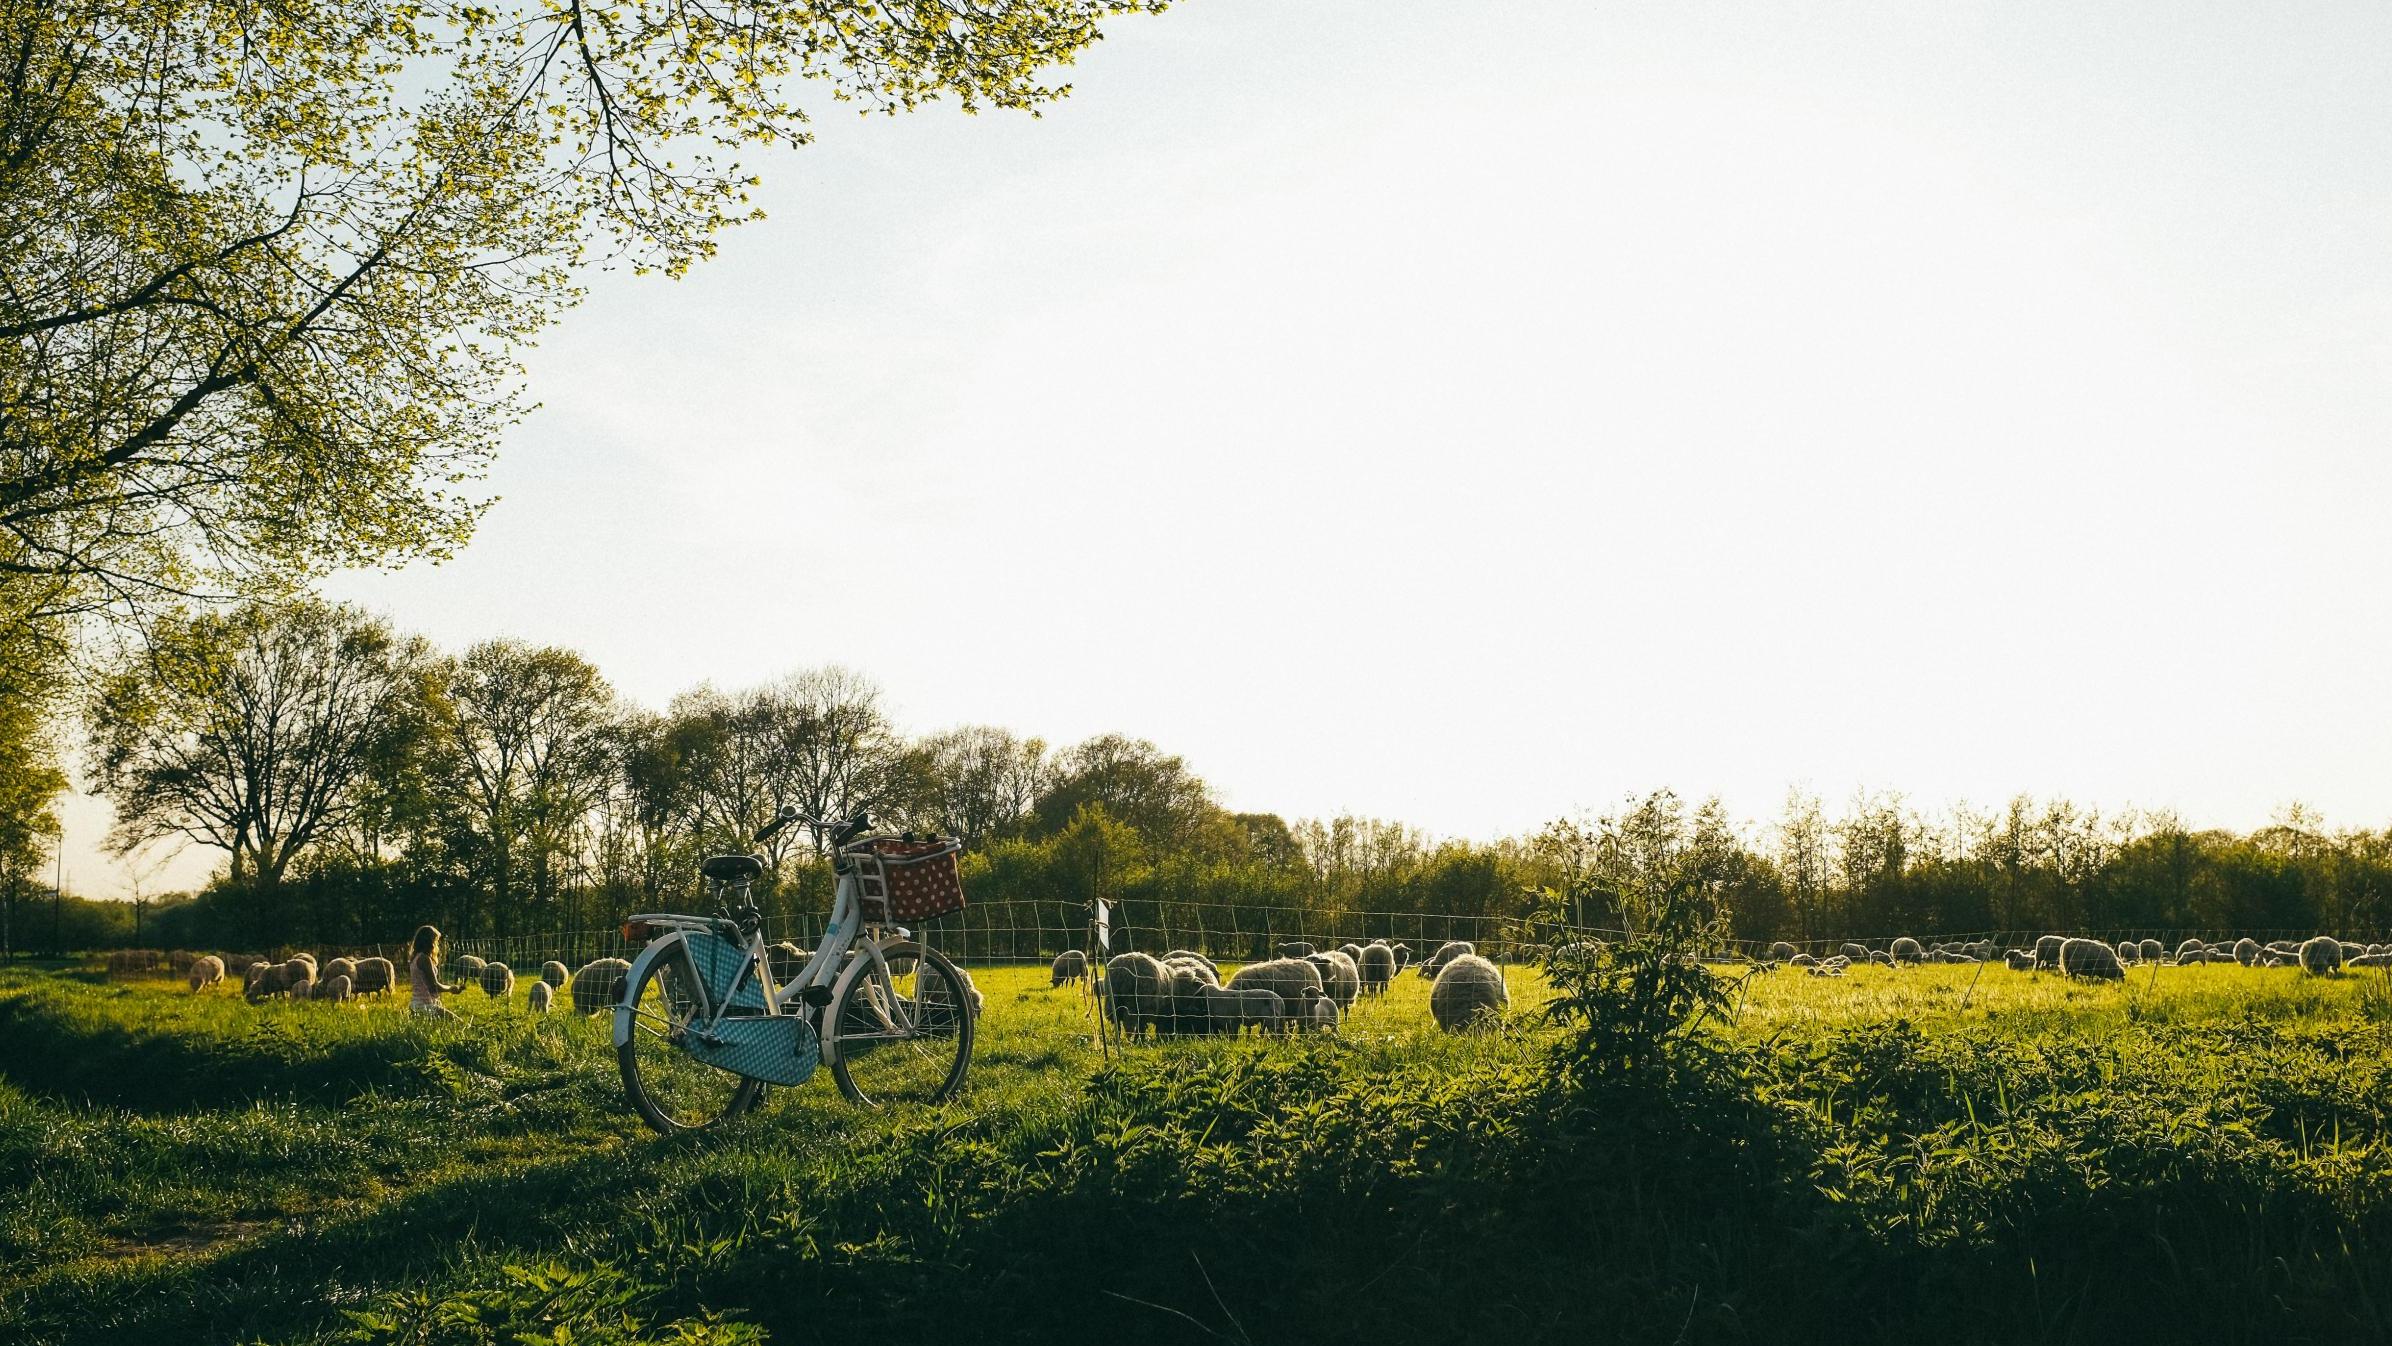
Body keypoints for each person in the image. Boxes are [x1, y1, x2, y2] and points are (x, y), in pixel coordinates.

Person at [409, 924, 464, 1019]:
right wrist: (451, 988)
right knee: (459, 1024)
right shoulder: (424, 959)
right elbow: (434, 986)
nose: (437, 944)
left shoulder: (415, 958)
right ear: (430, 942)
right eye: (436, 941)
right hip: (426, 1006)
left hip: (416, 1005)